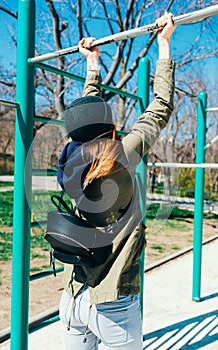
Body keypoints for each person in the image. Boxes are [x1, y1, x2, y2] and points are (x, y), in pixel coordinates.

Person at [57, 13, 176, 350]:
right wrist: (164, 43)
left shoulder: (69, 162)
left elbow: (85, 123)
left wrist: (92, 67)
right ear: (110, 129)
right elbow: (160, 107)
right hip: (113, 302)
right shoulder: (124, 153)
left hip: (73, 297)